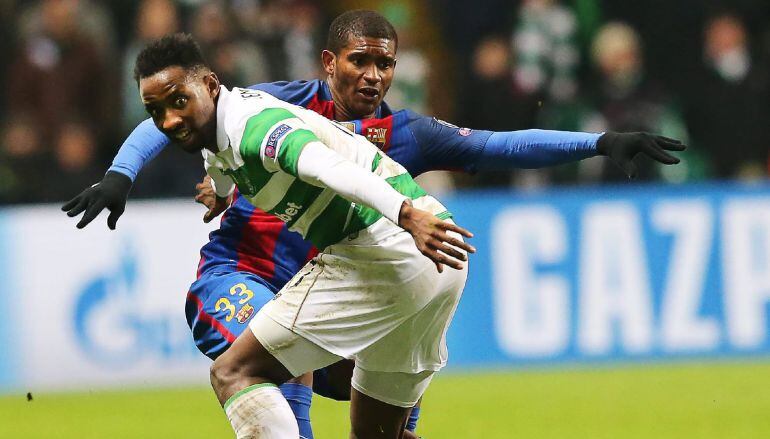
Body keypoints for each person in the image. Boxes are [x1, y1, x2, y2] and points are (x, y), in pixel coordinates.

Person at [63, 10, 685, 438]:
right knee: (279, 367)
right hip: (244, 272)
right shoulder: (277, 103)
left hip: (356, 272)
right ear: (329, 62)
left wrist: (599, 142)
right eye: (359, 61)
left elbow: (500, 145)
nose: (373, 75)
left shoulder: (404, 134)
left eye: (384, 64)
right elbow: (182, 114)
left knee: (385, 428)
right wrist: (124, 175)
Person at [133, 32, 476, 438]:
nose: (170, 120)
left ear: (209, 85)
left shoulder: (255, 128)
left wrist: (405, 215)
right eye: (156, 111)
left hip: (391, 241)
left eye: (179, 101)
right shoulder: (219, 134)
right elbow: (220, 164)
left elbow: (327, 167)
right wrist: (221, 193)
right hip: (441, 254)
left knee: (234, 371)